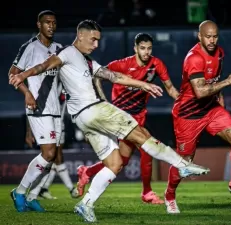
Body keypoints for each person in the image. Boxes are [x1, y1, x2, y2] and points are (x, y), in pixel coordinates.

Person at [9, 19, 210, 223]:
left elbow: (113, 76)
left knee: (115, 163)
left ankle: (85, 204)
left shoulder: (87, 61)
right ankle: (181, 164)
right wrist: (23, 75)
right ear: (81, 35)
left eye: (98, 41)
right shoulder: (67, 53)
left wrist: (143, 85)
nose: (96, 45)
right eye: (93, 39)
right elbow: (44, 65)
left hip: (84, 119)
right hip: (95, 109)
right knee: (141, 134)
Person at [164, 20, 231, 214]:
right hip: (188, 115)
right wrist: (228, 82)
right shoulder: (194, 58)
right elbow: (199, 91)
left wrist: (221, 105)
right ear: (199, 36)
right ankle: (169, 196)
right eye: (208, 36)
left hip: (211, 110)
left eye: (215, 36)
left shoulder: (220, 53)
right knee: (185, 162)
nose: (212, 40)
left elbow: (213, 81)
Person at [76, 33, 179, 204]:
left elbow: (170, 88)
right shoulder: (122, 64)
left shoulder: (156, 64)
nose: (146, 52)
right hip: (122, 117)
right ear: (135, 48)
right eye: (142, 48)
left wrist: (185, 101)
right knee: (147, 149)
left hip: (139, 116)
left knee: (122, 161)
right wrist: (102, 100)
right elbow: (98, 75)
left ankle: (87, 171)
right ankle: (147, 193)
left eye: (149, 48)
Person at [8, 10, 66, 212]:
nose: (51, 25)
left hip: (55, 109)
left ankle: (33, 196)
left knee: (51, 157)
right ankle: (20, 192)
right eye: (47, 22)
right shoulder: (30, 47)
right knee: (48, 152)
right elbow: (13, 74)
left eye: (54, 22)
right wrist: (27, 93)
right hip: (37, 107)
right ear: (39, 25)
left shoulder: (60, 49)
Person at [25, 81, 79, 200]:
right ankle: (71, 189)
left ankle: (41, 189)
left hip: (60, 123)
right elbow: (30, 104)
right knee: (55, 157)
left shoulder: (67, 81)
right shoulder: (48, 82)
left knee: (54, 159)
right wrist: (29, 131)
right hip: (48, 121)